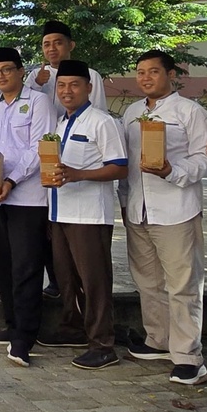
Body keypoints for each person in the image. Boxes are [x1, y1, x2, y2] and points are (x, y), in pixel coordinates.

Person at [120, 50, 207, 385]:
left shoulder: (191, 112)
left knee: (183, 285)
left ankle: (190, 356)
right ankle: (158, 340)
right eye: (140, 72)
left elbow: (206, 159)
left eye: (153, 72)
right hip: (138, 209)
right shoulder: (131, 113)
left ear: (171, 74)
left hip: (176, 209)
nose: (146, 78)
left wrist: (173, 171)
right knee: (147, 281)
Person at [0, 47, 61, 368]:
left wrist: (11, 181)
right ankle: (12, 324)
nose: (0, 76)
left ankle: (26, 336)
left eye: (7, 70)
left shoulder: (38, 103)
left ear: (22, 71)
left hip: (27, 198)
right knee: (4, 264)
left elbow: (42, 147)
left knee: (26, 266)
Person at [43, 60, 128, 369]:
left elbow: (119, 166)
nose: (67, 91)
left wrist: (80, 175)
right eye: (62, 86)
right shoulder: (61, 124)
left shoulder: (102, 122)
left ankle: (103, 344)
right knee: (67, 278)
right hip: (60, 211)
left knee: (94, 281)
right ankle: (76, 329)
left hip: (90, 216)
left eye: (74, 85)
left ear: (89, 88)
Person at [25, 21, 104, 112]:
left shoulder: (90, 75)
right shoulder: (35, 75)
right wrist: (37, 83)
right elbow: (23, 107)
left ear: (71, 45)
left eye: (58, 43)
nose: (52, 49)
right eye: (47, 45)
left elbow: (98, 111)